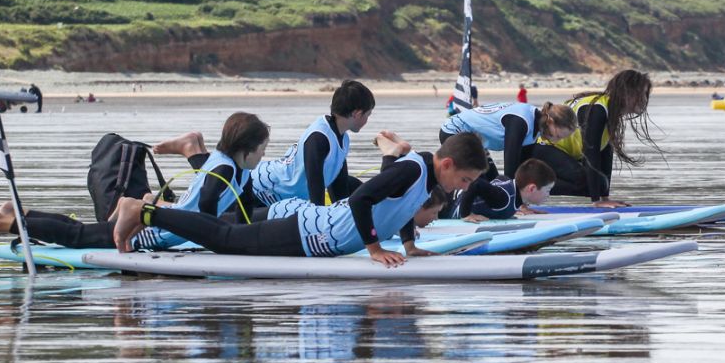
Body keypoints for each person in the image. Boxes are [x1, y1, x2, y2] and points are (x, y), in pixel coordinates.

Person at [111, 132, 488, 268]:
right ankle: (144, 212)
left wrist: (409, 245)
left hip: (319, 238)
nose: (460, 188)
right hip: (311, 233)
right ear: (449, 163)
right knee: (222, 240)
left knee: (226, 232)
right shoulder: (414, 169)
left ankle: (152, 210)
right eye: (464, 180)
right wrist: (374, 248)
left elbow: (403, 206)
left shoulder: (423, 175)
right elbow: (361, 199)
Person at [0, 117, 270, 247]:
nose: (264, 154)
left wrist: (244, 237)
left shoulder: (232, 166)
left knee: (85, 229)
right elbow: (203, 212)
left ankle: (18, 214)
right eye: (263, 149)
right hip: (157, 230)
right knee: (81, 236)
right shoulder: (226, 170)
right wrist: (214, 243)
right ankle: (8, 223)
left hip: (167, 226)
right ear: (248, 148)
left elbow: (241, 210)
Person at [535, 68, 661, 203]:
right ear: (627, 93)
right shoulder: (597, 109)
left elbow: (605, 156)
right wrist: (597, 201)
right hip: (543, 148)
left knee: (600, 183)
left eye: (646, 94)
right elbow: (591, 153)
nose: (644, 99)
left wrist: (605, 197)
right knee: (594, 183)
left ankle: (532, 185)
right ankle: (528, 186)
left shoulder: (611, 113)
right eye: (641, 94)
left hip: (562, 153)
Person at [374, 132, 555, 220]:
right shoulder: (503, 198)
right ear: (531, 188)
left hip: (451, 194)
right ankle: (392, 154)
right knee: (401, 196)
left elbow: (493, 181)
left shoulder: (509, 190)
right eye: (547, 191)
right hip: (449, 207)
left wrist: (520, 205)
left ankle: (405, 152)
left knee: (415, 181)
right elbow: (477, 185)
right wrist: (467, 215)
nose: (548, 195)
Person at [250, 80, 373, 207]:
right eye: (367, 115)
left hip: (286, 196)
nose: (367, 120)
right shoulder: (319, 138)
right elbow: (315, 186)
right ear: (357, 114)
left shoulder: (343, 138)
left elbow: (338, 187)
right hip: (263, 188)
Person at [440, 99, 577, 180]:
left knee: (494, 183)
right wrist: (513, 201)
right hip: (454, 131)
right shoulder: (521, 121)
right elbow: (510, 162)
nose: (555, 141)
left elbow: (522, 168)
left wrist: (521, 201)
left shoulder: (535, 130)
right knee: (477, 179)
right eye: (558, 136)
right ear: (550, 121)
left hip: (476, 142)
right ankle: (464, 213)